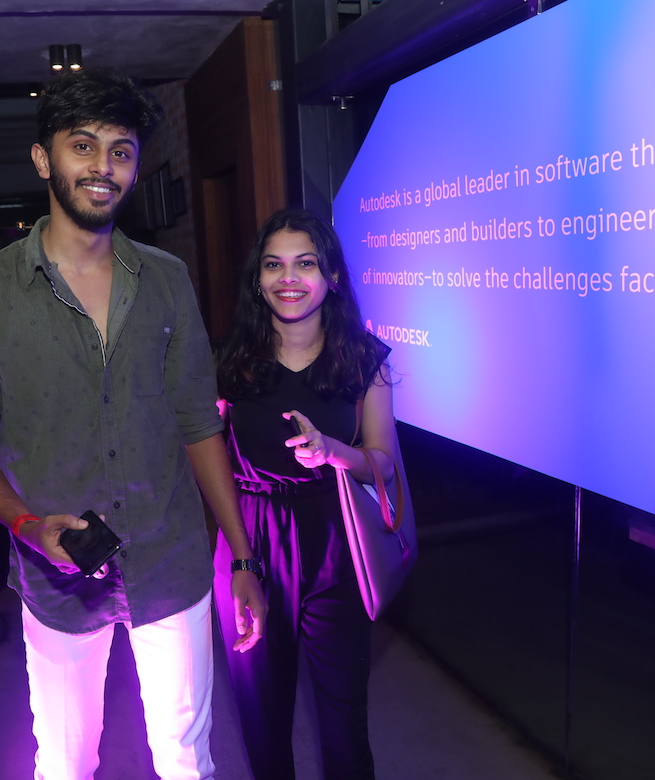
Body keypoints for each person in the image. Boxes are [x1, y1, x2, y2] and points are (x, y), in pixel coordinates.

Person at [0, 69, 266, 780]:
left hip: (170, 560)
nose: (102, 167)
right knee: (64, 762)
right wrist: (26, 525)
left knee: (187, 759)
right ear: (43, 158)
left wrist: (241, 556)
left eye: (120, 150)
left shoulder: (168, 277)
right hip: (56, 580)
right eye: (82, 146)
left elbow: (196, 420)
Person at [213, 208, 395, 780]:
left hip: (337, 545)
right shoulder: (229, 365)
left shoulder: (365, 360)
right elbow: (209, 464)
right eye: (274, 265)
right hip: (249, 539)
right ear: (257, 278)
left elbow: (383, 462)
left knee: (345, 729)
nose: (288, 278)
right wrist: (241, 560)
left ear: (332, 275)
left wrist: (334, 451)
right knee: (263, 722)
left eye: (305, 263)